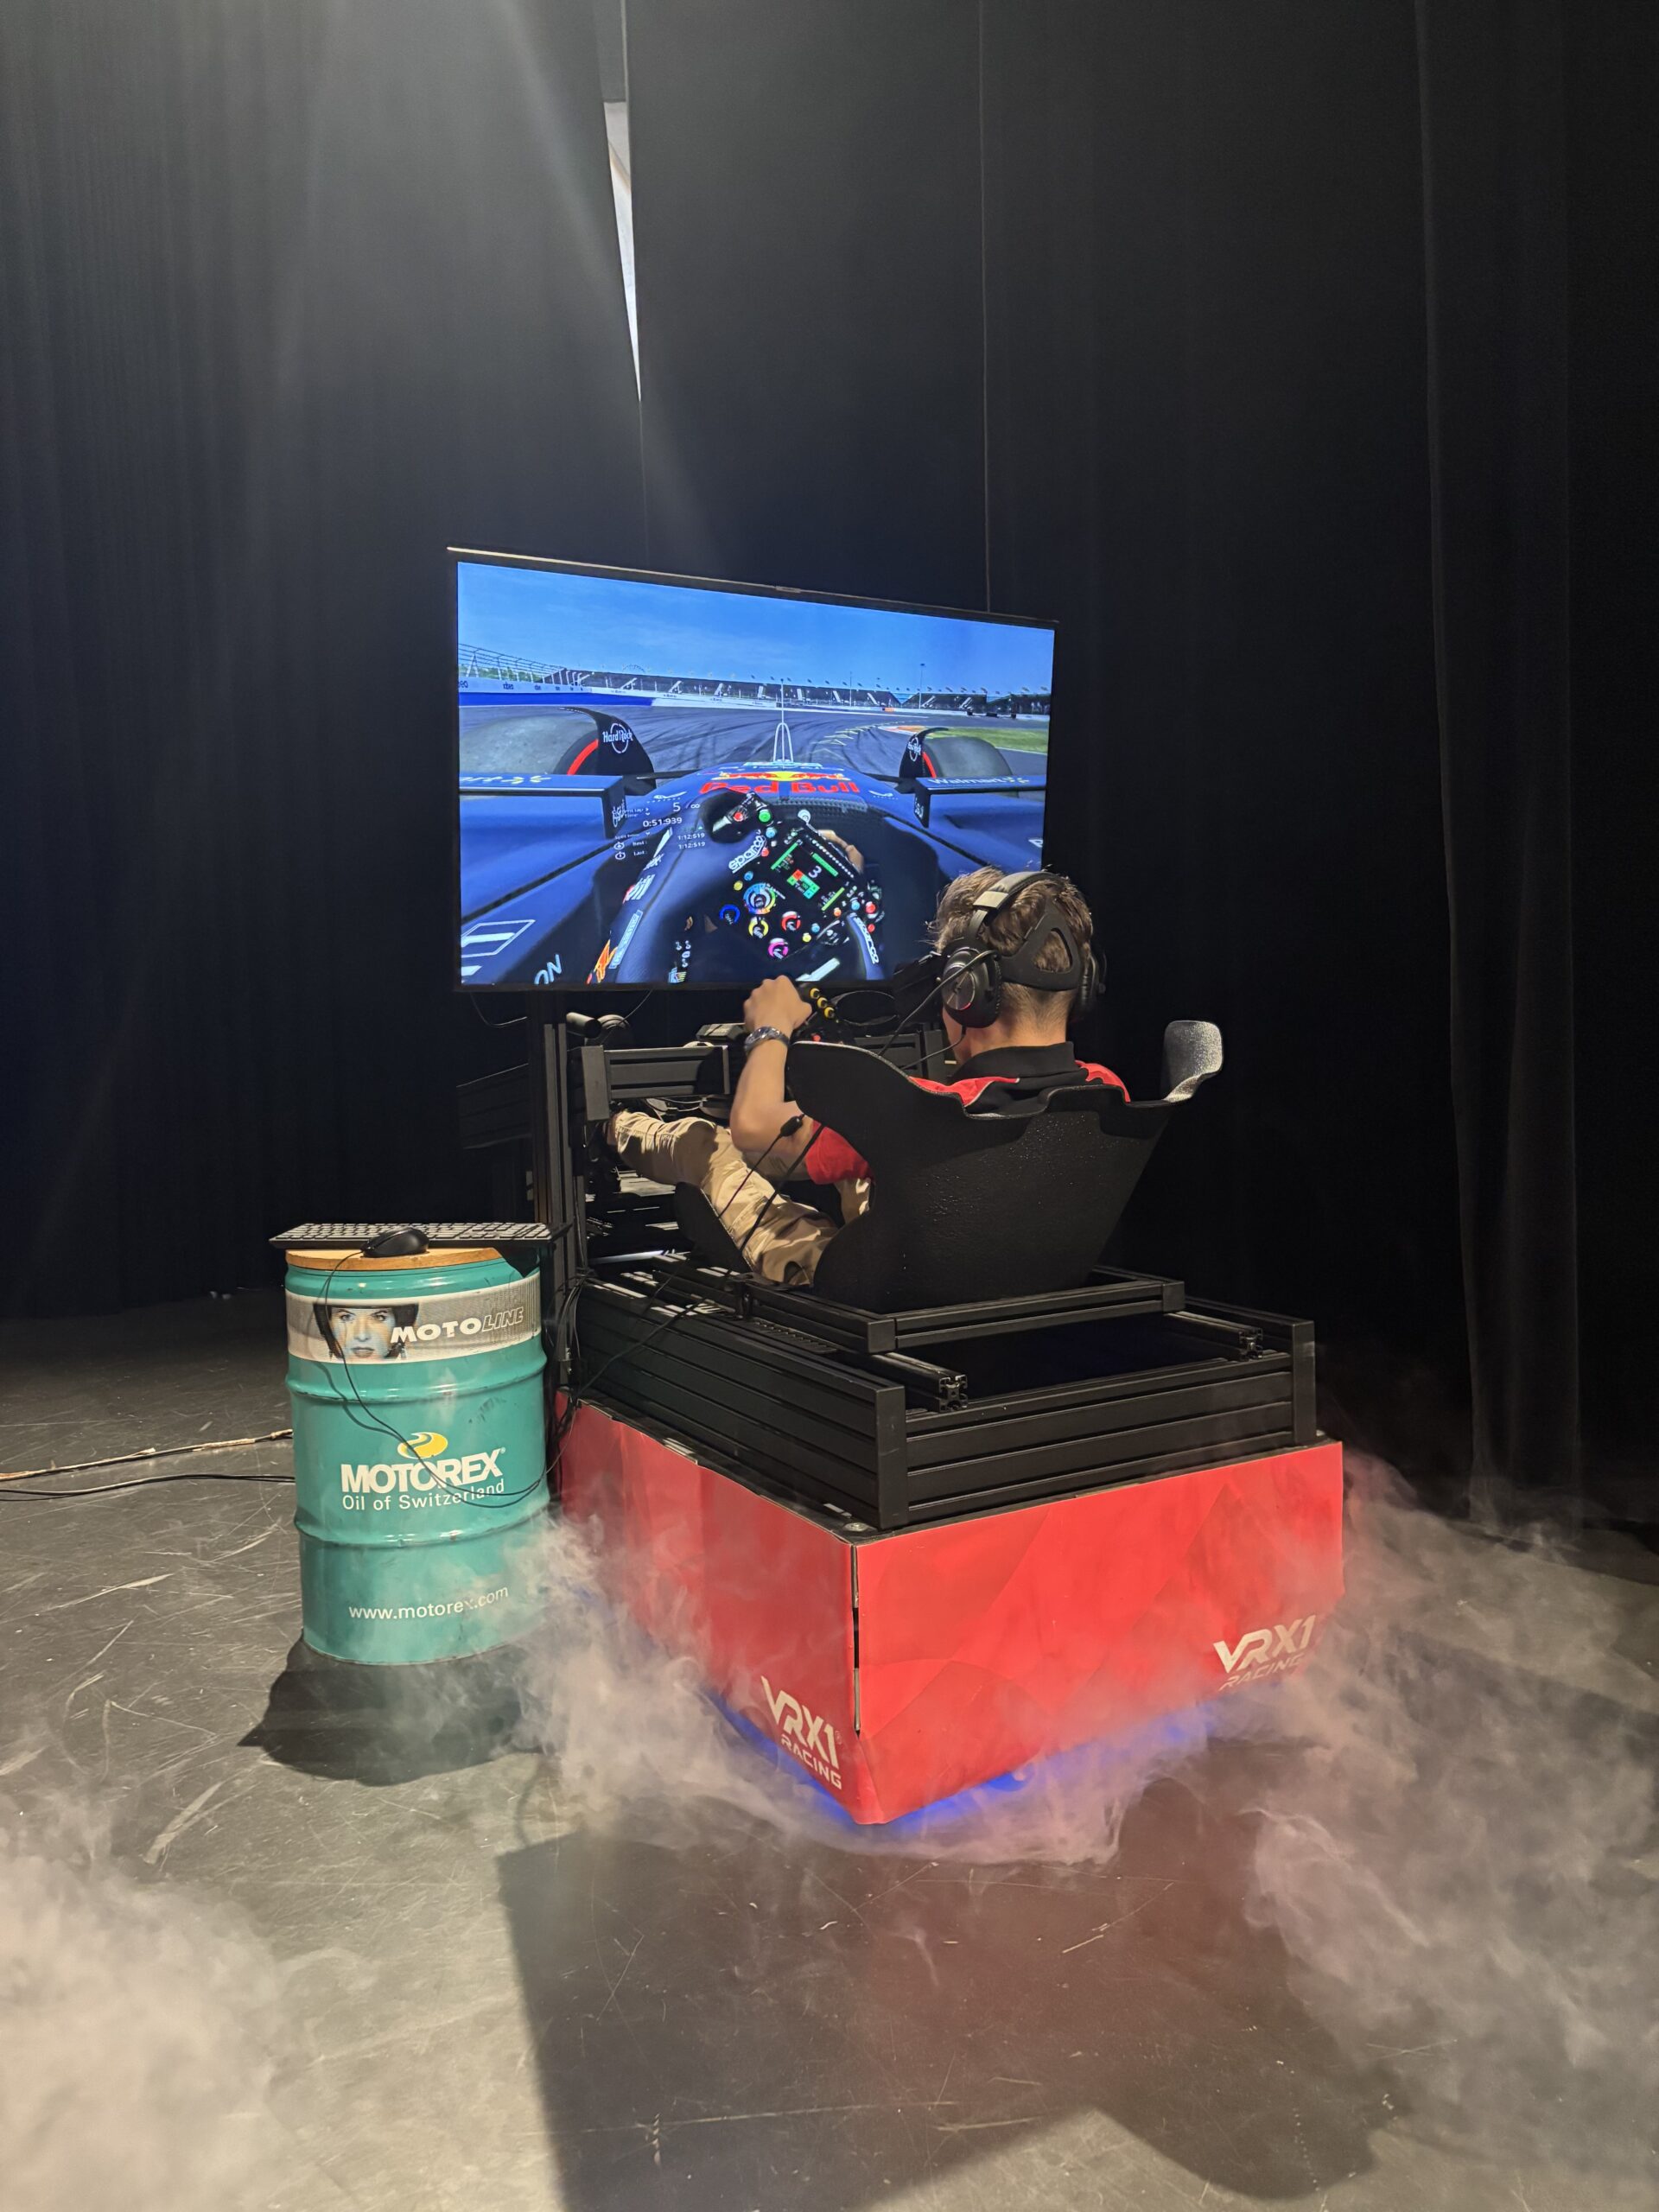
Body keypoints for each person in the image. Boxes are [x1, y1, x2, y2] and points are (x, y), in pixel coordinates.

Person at [607, 868, 1126, 1287]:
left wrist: (769, 1030)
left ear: (963, 990)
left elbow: (754, 1131)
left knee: (707, 1143)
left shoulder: (914, 1111)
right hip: (987, 1275)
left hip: (870, 1294)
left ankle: (612, 1127)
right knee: (866, 1170)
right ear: (1083, 985)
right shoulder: (1106, 1092)